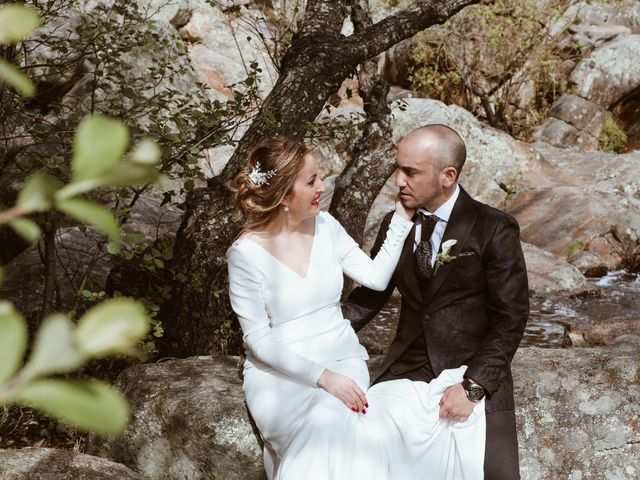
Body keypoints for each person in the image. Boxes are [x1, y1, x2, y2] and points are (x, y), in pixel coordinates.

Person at [227, 137, 487, 480]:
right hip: (281, 376)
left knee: (338, 420)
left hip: (342, 358)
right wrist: (323, 379)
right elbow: (258, 338)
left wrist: (400, 220)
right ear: (284, 195)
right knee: (325, 419)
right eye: (311, 181)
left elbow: (376, 278)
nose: (322, 186)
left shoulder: (326, 226)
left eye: (319, 176)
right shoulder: (245, 254)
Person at [342, 124, 530, 479]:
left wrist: (474, 386)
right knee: (361, 441)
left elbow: (511, 317)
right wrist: (314, 335)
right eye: (398, 169)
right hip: (406, 365)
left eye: (410, 172)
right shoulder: (394, 224)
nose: (399, 181)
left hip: (469, 365)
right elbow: (370, 295)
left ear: (448, 176)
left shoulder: (493, 227)